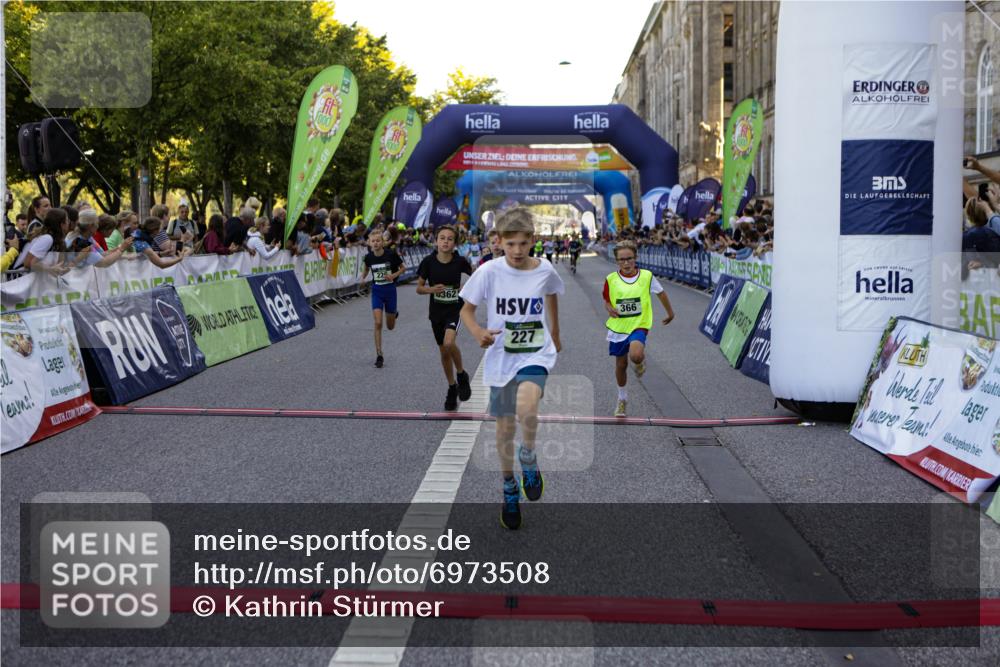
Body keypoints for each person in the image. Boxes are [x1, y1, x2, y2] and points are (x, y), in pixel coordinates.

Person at [459, 208, 564, 530]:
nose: (517, 251)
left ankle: (528, 456)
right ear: (499, 242)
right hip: (502, 357)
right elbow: (466, 310)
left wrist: (556, 332)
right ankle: (508, 487)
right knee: (504, 429)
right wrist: (477, 331)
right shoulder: (489, 271)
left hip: (535, 352)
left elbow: (552, 294)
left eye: (522, 243)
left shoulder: (544, 268)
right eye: (510, 244)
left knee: (527, 407)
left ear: (533, 240)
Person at [603, 240, 675, 417]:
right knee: (621, 364)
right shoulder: (611, 279)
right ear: (616, 261)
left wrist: (670, 313)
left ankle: (639, 361)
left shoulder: (646, 276)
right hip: (619, 327)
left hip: (639, 325)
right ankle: (622, 399)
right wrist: (609, 308)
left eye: (629, 258)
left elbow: (661, 293)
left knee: (635, 355)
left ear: (636, 258)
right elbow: (607, 299)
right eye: (622, 259)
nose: (626, 263)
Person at [416, 225, 474, 410]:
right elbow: (419, 288)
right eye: (442, 238)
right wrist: (431, 289)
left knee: (449, 343)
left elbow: (477, 278)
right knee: (444, 352)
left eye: (450, 239)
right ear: (436, 241)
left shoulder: (460, 261)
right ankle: (451, 386)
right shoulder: (428, 262)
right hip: (436, 312)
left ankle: (462, 374)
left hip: (454, 309)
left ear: (455, 243)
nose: (445, 242)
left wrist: (466, 288)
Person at [360, 228, 405, 368]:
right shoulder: (368, 257)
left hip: (390, 291)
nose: (375, 243)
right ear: (369, 243)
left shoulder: (391, 254)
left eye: (378, 241)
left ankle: (393, 313)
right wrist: (363, 278)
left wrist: (393, 275)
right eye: (373, 241)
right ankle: (379, 354)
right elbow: (366, 269)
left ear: (382, 242)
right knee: (378, 323)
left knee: (390, 327)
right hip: (377, 291)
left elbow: (403, 268)